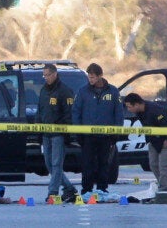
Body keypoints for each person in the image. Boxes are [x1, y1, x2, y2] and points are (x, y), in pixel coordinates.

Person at [72, 63, 123, 194]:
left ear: (100, 76)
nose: (91, 80)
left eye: (93, 77)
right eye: (89, 77)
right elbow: (76, 112)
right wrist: (78, 132)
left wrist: (116, 133)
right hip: (88, 135)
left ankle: (102, 188)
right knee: (87, 163)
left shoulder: (113, 91)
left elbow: (118, 113)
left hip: (106, 135)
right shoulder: (83, 91)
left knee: (104, 163)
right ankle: (86, 188)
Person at [35, 64, 78, 203]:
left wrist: (65, 131)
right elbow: (40, 111)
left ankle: (52, 192)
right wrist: (37, 129)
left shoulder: (65, 91)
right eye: (44, 75)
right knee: (49, 164)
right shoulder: (43, 90)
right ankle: (69, 188)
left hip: (58, 134)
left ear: (55, 74)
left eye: (47, 75)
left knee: (56, 164)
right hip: (45, 133)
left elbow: (69, 114)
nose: (45, 77)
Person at [124, 92, 167, 192]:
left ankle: (165, 189)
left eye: (129, 107)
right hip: (154, 140)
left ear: (136, 104)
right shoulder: (139, 112)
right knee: (153, 164)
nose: (128, 110)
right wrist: (149, 140)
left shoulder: (155, 110)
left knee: (163, 166)